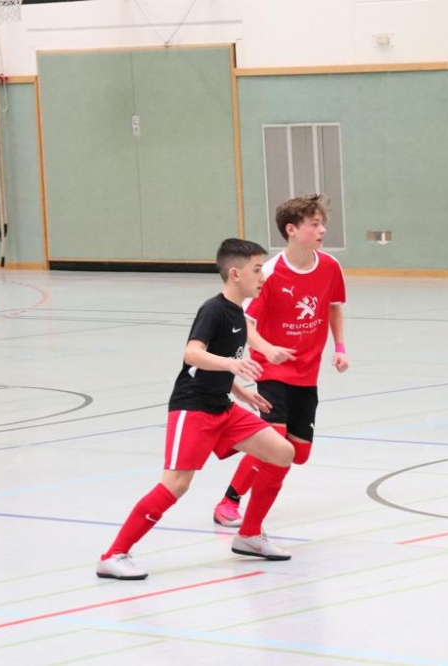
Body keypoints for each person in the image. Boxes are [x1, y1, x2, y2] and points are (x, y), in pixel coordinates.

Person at [96, 238, 296, 581]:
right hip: (193, 408)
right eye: (257, 270)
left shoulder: (238, 314)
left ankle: (249, 535)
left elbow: (218, 365)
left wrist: (239, 391)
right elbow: (193, 354)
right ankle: (114, 555)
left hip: (223, 407)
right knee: (176, 484)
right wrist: (231, 366)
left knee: (282, 452)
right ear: (235, 274)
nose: (263, 277)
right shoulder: (213, 309)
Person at [212, 194, 348, 527]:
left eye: (322, 223)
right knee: (275, 442)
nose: (322, 230)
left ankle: (246, 453)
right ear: (291, 229)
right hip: (272, 370)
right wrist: (268, 349)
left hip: (307, 371)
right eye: (314, 224)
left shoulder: (330, 266)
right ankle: (230, 501)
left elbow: (333, 307)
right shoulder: (270, 273)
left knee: (297, 453)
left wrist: (340, 348)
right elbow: (246, 323)